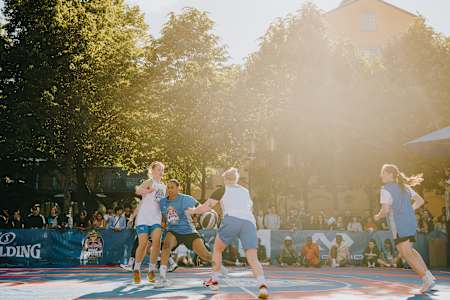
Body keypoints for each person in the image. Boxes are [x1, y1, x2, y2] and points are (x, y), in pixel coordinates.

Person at [187, 167, 269, 299]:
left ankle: (214, 281)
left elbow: (207, 206)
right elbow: (250, 208)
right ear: (236, 179)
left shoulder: (223, 189)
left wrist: (192, 211)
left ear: (224, 179)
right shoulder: (245, 191)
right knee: (253, 258)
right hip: (249, 222)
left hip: (232, 219)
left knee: (217, 250)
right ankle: (263, 285)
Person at [374, 164, 435, 293]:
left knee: (406, 254)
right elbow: (420, 201)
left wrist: (378, 217)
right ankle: (429, 276)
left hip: (399, 223)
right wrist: (408, 210)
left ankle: (426, 279)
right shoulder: (405, 187)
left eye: (383, 173)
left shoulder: (385, 189)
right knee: (409, 251)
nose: (381, 176)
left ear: (390, 174)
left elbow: (385, 210)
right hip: (410, 221)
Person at [158, 179, 219, 286]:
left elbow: (201, 207)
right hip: (173, 231)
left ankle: (219, 266)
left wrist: (210, 212)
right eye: (168, 187)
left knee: (206, 256)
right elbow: (163, 218)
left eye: (172, 187)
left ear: (178, 188)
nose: (170, 189)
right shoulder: (162, 202)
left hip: (189, 231)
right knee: (166, 246)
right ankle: (162, 277)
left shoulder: (186, 199)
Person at [132, 161, 166, 284]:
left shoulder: (163, 186)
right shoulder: (149, 182)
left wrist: (166, 216)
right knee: (143, 244)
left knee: (157, 242)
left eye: (162, 170)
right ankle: (136, 269)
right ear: (152, 171)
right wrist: (148, 191)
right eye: (158, 169)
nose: (161, 172)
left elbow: (163, 203)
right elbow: (138, 191)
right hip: (143, 218)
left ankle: (151, 270)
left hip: (156, 217)